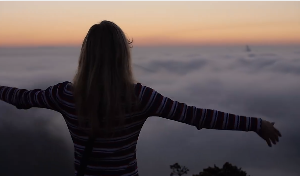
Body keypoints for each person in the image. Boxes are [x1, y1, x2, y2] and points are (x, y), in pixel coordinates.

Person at [0, 20, 281, 176]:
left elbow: (20, 98)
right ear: (123, 55)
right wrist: (255, 124)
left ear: (86, 55)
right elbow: (197, 117)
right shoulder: (140, 97)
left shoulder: (65, 95)